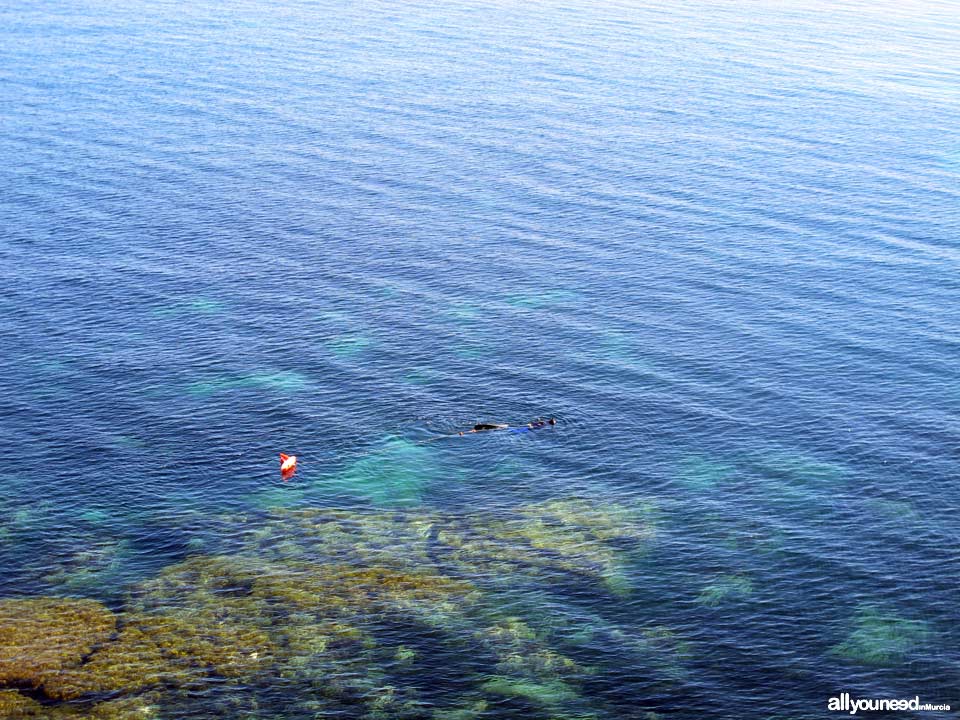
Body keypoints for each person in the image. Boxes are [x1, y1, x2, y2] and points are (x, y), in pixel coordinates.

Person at [458, 418, 556, 436]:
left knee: (502, 427)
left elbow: (534, 424)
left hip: (521, 426)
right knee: (502, 428)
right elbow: (534, 426)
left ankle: (472, 431)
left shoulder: (543, 422)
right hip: (522, 427)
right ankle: (472, 431)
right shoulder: (544, 424)